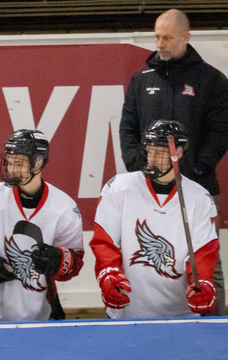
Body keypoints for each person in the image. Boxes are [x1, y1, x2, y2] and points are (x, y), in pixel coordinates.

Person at [119, 8, 228, 314]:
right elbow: (127, 129)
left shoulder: (212, 80)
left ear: (186, 37)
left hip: (199, 188)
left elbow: (223, 131)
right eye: (156, 36)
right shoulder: (140, 80)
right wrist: (138, 169)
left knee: (207, 264)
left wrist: (195, 170)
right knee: (150, 258)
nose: (160, 43)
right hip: (148, 190)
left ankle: (216, 329)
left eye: (167, 37)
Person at [0, 130, 84, 321]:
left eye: (18, 163)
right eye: (9, 162)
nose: (11, 170)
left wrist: (59, 260)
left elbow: (75, 261)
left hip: (42, 308)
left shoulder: (64, 208)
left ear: (38, 163)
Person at [91, 120, 219, 319]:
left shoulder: (199, 198)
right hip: (127, 314)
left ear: (178, 152)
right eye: (150, 150)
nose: (152, 158)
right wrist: (109, 275)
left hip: (182, 315)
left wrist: (201, 283)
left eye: (161, 152)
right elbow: (104, 243)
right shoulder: (118, 188)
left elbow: (202, 253)